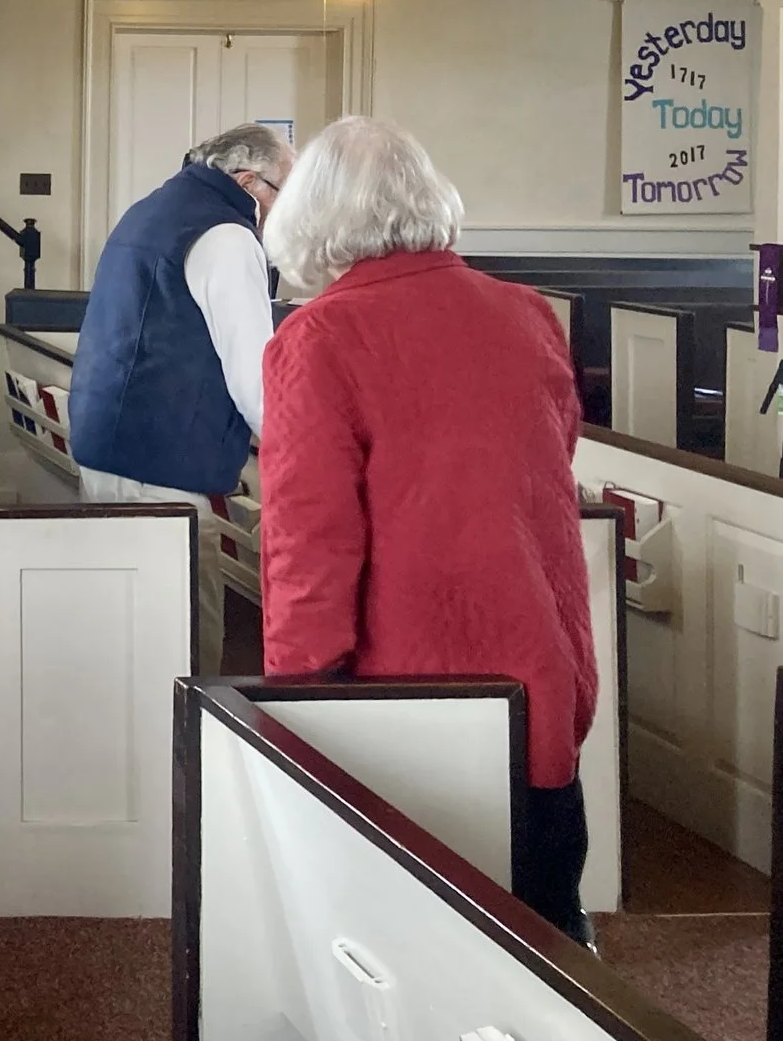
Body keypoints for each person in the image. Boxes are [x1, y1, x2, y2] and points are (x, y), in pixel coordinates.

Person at [260, 116, 597, 946]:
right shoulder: (526, 313)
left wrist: (295, 693)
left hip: (405, 680)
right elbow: (551, 461)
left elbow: (311, 537)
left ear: (312, 219)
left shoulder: (320, 335)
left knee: (413, 938)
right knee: (546, 921)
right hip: (539, 655)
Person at [68, 121, 292, 675]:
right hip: (160, 463)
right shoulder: (228, 235)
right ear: (248, 182)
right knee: (185, 644)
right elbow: (254, 374)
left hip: (108, 445)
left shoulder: (153, 208)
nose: (290, 211)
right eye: (286, 194)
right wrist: (297, 449)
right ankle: (187, 757)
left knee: (125, 632)